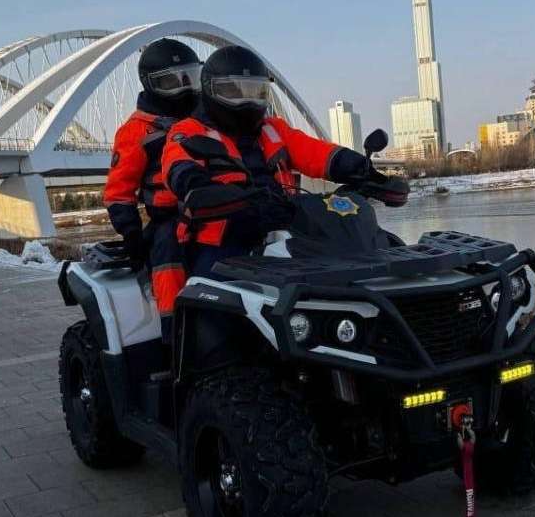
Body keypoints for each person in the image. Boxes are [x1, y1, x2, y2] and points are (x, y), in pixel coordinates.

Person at [151, 44, 379, 330]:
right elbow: (179, 168)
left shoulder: (273, 128)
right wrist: (200, 189)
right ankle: (199, 361)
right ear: (210, 91)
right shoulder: (187, 131)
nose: (247, 100)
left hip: (284, 227)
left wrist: (362, 169)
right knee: (215, 315)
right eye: (234, 91)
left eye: (256, 91)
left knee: (347, 277)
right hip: (222, 240)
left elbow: (314, 151)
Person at [102, 38, 201, 325]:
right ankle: (175, 328)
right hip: (170, 216)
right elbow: (119, 191)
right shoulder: (136, 131)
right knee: (167, 255)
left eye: (189, 78)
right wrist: (131, 233)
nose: (183, 89)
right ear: (151, 85)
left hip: (214, 206)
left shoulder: (207, 120)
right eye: (171, 82)